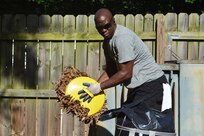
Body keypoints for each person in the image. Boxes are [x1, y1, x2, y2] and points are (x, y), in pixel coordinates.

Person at [78, 8, 175, 135]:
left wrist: (99, 87)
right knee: (126, 123)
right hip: (139, 89)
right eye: (99, 28)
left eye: (106, 26)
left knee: (137, 127)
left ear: (114, 21)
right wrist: (93, 86)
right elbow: (112, 70)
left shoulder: (122, 38)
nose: (103, 30)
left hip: (152, 87)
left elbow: (125, 73)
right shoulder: (107, 42)